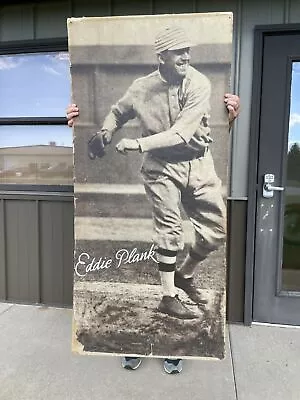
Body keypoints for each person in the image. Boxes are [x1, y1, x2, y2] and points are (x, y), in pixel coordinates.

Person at [67, 25, 240, 374]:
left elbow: (181, 133)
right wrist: (105, 131)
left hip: (197, 163)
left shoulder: (199, 83)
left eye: (188, 50)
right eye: (178, 51)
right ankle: (167, 297)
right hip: (161, 168)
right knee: (169, 230)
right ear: (161, 56)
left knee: (217, 232)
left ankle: (184, 274)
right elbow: (119, 110)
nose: (186, 56)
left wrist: (135, 144)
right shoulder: (141, 87)